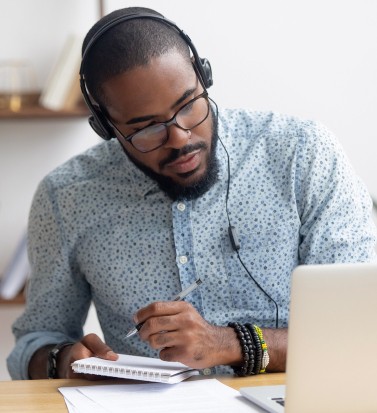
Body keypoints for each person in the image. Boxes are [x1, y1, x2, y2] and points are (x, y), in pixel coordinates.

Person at [8, 6, 376, 380]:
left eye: (188, 105)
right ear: (106, 127)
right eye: (146, 128)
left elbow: (360, 329)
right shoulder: (65, 197)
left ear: (204, 76)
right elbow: (35, 341)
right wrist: (63, 359)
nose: (180, 137)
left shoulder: (303, 155)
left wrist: (228, 344)